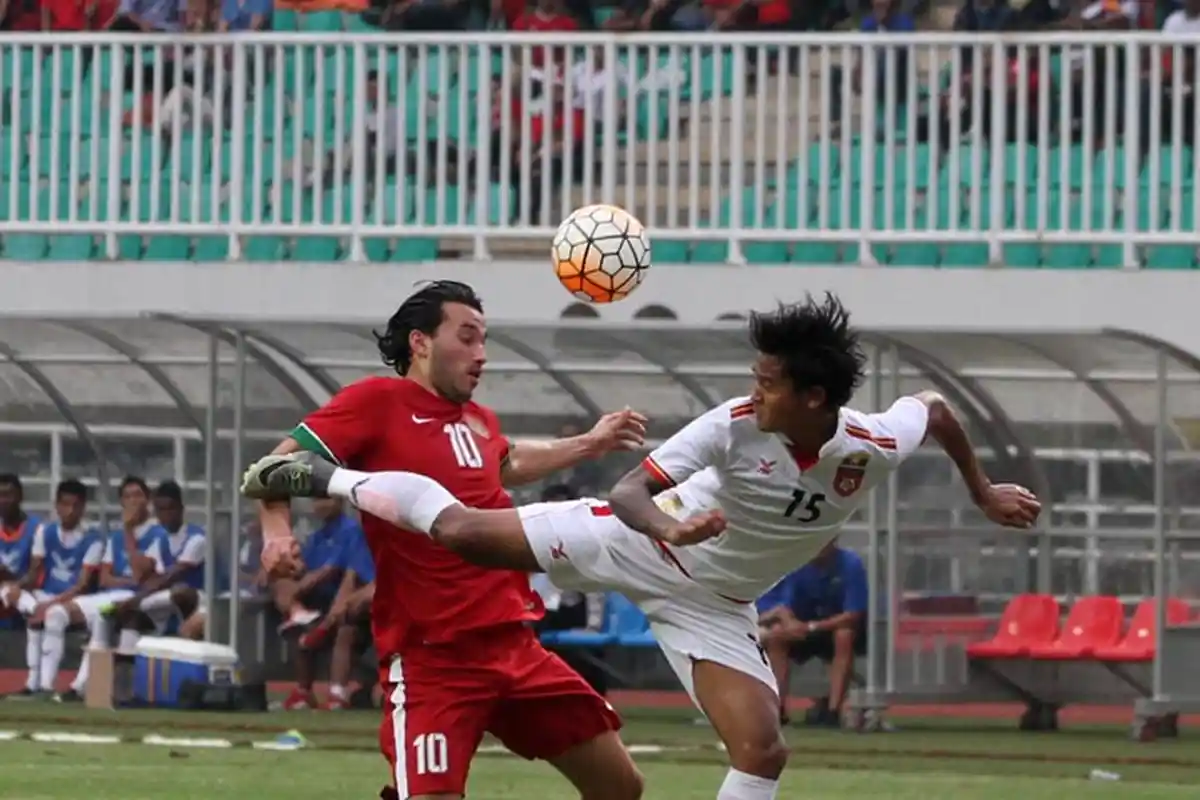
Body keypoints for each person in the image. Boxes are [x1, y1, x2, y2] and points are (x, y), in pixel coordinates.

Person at [243, 292, 1042, 800]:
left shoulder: (872, 443)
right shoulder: (732, 424)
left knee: (762, 751)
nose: (751, 390)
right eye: (470, 334)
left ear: (814, 398)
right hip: (632, 544)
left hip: (718, 604)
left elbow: (932, 406)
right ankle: (335, 484)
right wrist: (670, 525)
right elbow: (630, 494)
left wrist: (982, 490)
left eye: (767, 381)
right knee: (460, 531)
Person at [251, 281, 646, 800]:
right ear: (420, 342)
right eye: (467, 337)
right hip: (434, 659)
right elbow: (274, 467)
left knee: (620, 788)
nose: (481, 354)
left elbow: (509, 463)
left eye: (484, 340)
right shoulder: (378, 401)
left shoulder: (478, 421)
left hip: (515, 647)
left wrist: (589, 444)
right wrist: (276, 533)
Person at [45, 476, 165, 701]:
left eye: (138, 495)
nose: (133, 501)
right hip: (111, 594)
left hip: (139, 599)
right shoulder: (116, 536)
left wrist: (129, 530)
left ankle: (81, 687)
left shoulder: (157, 534)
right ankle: (44, 686)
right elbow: (104, 579)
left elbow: (140, 574)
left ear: (147, 500)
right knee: (56, 613)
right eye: (127, 496)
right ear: (121, 501)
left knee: (104, 616)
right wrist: (128, 578)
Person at [0, 480, 103, 698]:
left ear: (83, 507)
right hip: (44, 594)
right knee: (11, 594)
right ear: (57, 505)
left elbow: (81, 586)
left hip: (70, 601)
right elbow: (34, 573)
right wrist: (15, 587)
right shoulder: (45, 532)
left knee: (52, 614)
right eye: (65, 504)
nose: (70, 511)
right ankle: (32, 684)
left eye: (76, 505)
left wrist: (48, 604)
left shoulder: (93, 539)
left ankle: (45, 685)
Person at [757, 540, 868, 727]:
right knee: (777, 636)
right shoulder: (797, 562)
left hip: (832, 629)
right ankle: (777, 710)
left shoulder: (850, 563)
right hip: (802, 629)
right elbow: (783, 606)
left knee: (844, 635)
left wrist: (812, 627)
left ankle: (833, 712)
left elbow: (853, 613)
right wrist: (790, 623)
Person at [294, 514, 377, 710]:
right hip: (368, 613)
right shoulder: (362, 537)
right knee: (345, 629)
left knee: (382, 700)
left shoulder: (402, 533)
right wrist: (328, 622)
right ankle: (334, 695)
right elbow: (350, 578)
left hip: (402, 610)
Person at [112, 481, 206, 652]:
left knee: (180, 591)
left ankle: (188, 642)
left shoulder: (197, 538)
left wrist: (136, 599)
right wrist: (128, 530)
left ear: (181, 509)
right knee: (131, 616)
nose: (166, 515)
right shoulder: (161, 541)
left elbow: (169, 578)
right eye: (161, 510)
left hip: (200, 600)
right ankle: (127, 662)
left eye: (171, 509)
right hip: (168, 598)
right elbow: (141, 576)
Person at [0, 474, 40, 601]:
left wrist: (14, 584)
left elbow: (36, 574)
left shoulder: (36, 529)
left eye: (8, 495)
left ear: (20, 497)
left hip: (24, 594)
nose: (3, 501)